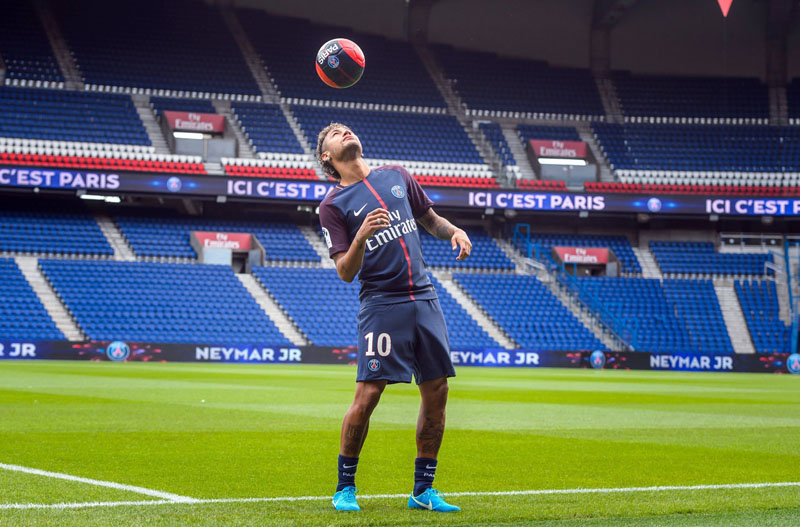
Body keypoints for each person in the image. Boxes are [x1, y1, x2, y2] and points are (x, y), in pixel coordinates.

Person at [316, 123, 471, 513]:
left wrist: (455, 230)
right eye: (335, 133)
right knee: (369, 394)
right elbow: (345, 272)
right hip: (382, 304)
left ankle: (423, 490)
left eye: (347, 128)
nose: (345, 131)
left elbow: (430, 218)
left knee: (437, 391)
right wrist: (360, 236)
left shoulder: (397, 175)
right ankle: (344, 488)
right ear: (327, 157)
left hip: (425, 298)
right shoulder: (332, 205)